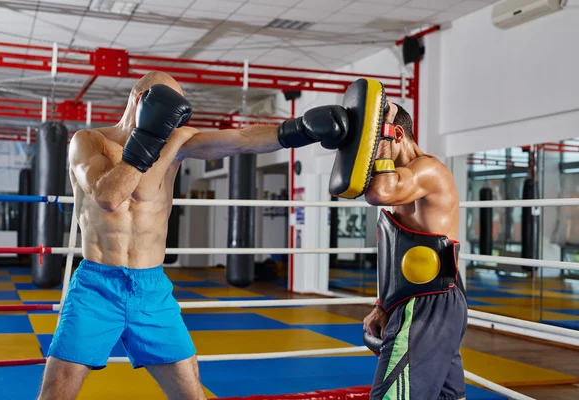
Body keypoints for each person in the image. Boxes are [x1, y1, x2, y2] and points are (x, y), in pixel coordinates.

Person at [37, 71, 351, 400]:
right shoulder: (88, 141)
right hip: (96, 288)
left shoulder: (177, 141)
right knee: (55, 396)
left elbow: (243, 139)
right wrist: (149, 136)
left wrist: (299, 130)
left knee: (191, 396)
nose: (174, 120)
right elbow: (108, 196)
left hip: (151, 291)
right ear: (142, 100)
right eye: (166, 105)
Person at [361, 101, 468, 400]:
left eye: (376, 144)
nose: (371, 155)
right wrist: (383, 304)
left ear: (395, 135)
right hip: (418, 299)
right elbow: (397, 248)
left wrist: (381, 130)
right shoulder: (396, 178)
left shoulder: (428, 170)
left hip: (428, 303)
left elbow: (379, 193)